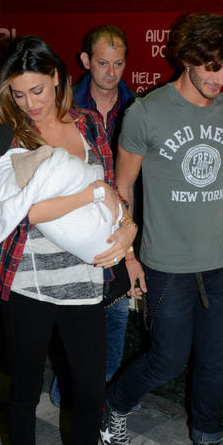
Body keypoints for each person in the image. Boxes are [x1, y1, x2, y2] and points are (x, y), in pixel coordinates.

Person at [0, 36, 137, 445]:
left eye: (37, 90)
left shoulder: (90, 124)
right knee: (25, 392)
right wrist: (89, 193)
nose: (30, 103)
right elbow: (17, 215)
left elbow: (113, 195)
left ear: (57, 79)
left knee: (90, 391)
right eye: (19, 93)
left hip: (85, 282)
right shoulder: (11, 136)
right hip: (28, 280)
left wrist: (129, 238)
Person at [102, 13, 223, 445]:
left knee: (214, 358)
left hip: (220, 263)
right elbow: (121, 188)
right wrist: (129, 256)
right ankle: (114, 408)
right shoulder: (146, 113)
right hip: (165, 264)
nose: (218, 79)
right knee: (166, 360)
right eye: (210, 67)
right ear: (186, 57)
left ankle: (207, 442)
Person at [75, 25, 135, 382]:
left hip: (121, 225)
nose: (111, 73)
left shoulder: (138, 108)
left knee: (116, 313)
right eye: (102, 63)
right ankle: (71, 392)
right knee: (80, 320)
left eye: (118, 64)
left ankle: (104, 399)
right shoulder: (65, 105)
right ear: (86, 61)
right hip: (75, 224)